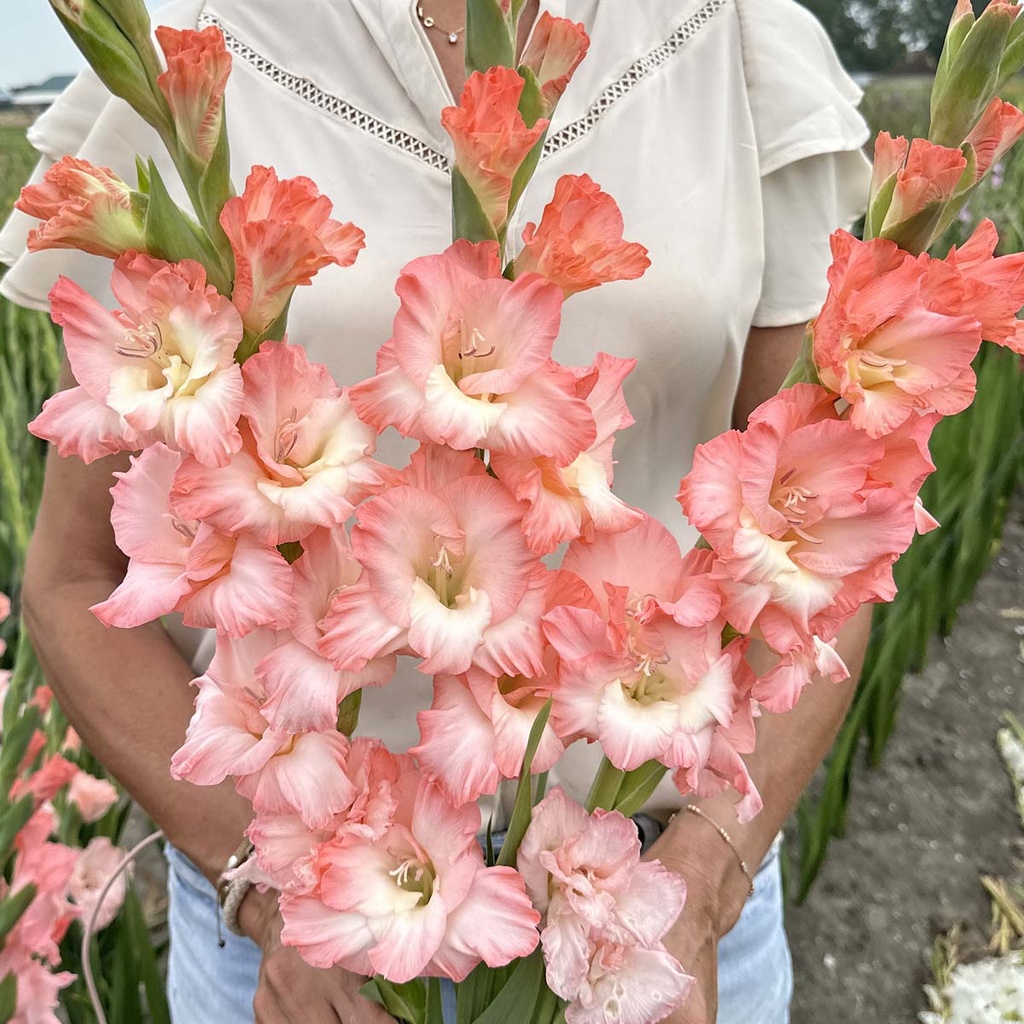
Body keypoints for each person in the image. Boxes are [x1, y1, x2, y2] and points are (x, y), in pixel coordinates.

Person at [0, 0, 876, 1021]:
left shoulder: (727, 31)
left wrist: (704, 868)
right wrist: (269, 889)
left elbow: (825, 554)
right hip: (301, 936)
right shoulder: (203, 40)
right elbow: (70, 579)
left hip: (650, 901)